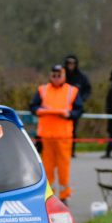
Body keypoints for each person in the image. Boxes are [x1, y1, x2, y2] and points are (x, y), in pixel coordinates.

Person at [30, 64, 83, 203]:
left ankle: (64, 195)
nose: (56, 78)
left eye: (59, 75)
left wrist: (69, 114)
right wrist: (37, 111)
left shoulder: (72, 91)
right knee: (47, 168)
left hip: (63, 136)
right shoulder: (43, 90)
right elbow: (33, 106)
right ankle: (49, 196)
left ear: (64, 76)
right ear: (50, 75)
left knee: (63, 167)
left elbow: (78, 110)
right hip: (46, 136)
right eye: (54, 75)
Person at [63, 55, 91, 157]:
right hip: (62, 108)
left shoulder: (81, 77)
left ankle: (71, 150)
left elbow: (88, 90)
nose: (71, 65)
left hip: (75, 109)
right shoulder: (62, 75)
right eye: (69, 63)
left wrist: (82, 100)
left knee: (72, 130)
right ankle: (63, 150)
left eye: (73, 63)